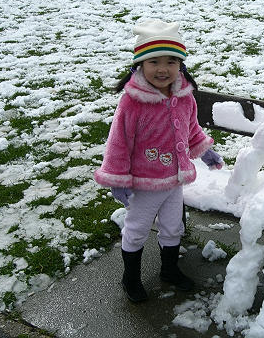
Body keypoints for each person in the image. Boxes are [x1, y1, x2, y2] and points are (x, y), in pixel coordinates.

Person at [94, 19, 224, 303]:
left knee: (172, 227)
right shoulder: (132, 103)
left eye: (171, 62)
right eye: (154, 62)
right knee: (137, 229)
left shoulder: (184, 98)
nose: (163, 69)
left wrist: (204, 151)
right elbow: (118, 143)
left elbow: (191, 130)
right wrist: (117, 179)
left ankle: (169, 269)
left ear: (181, 65)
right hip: (145, 183)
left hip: (175, 180)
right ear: (140, 64)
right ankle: (130, 278)